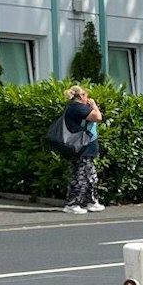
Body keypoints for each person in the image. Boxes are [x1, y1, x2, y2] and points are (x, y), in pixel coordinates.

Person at [61, 85, 104, 215]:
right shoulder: (77, 108)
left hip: (85, 147)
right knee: (81, 176)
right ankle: (72, 204)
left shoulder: (76, 108)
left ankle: (91, 201)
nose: (87, 98)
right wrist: (94, 105)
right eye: (85, 95)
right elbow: (98, 117)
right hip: (82, 148)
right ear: (81, 96)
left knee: (90, 176)